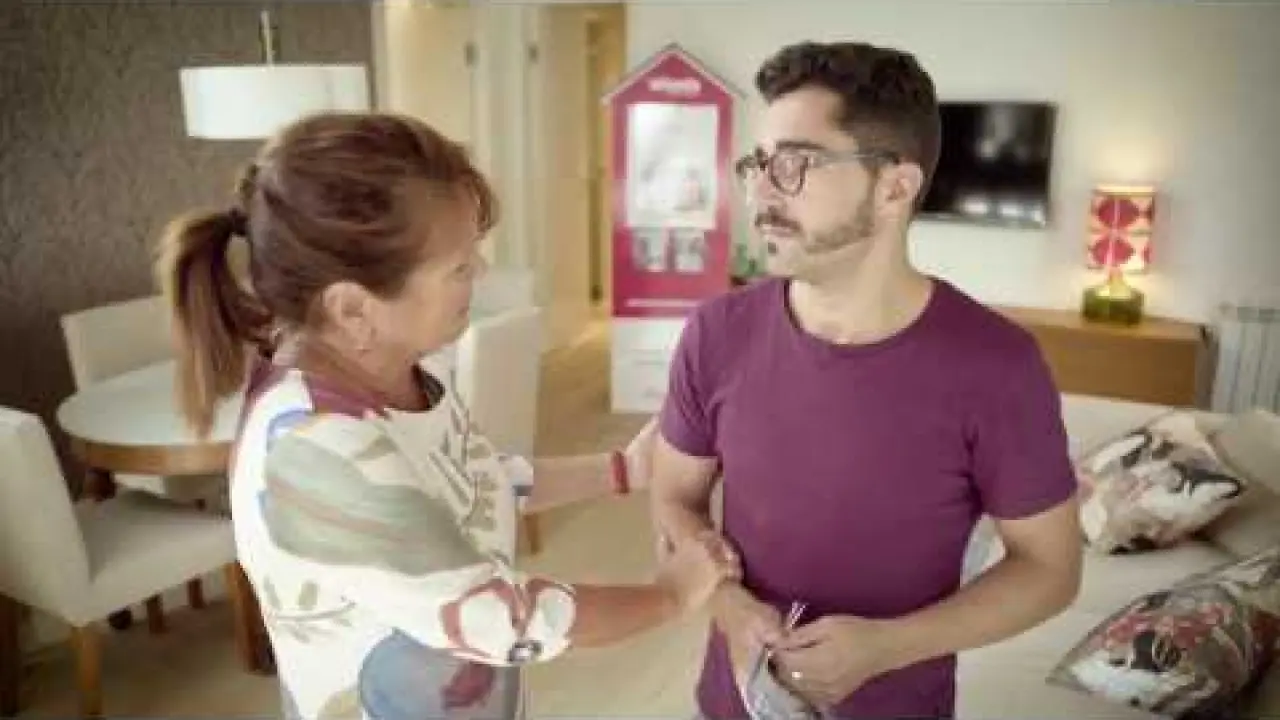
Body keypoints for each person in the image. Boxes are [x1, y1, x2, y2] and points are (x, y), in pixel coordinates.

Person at [155, 112, 739, 720]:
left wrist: (622, 469)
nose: (479, 273)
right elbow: (497, 618)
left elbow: (468, 483)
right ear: (353, 309)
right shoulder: (313, 448)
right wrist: (670, 595)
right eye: (459, 266)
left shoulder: (400, 372)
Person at [649, 41, 1083, 719]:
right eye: (759, 163)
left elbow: (1051, 570)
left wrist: (888, 647)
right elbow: (674, 498)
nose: (760, 191)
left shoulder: (999, 365)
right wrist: (729, 605)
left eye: (796, 163)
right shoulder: (715, 333)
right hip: (727, 704)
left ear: (894, 188)